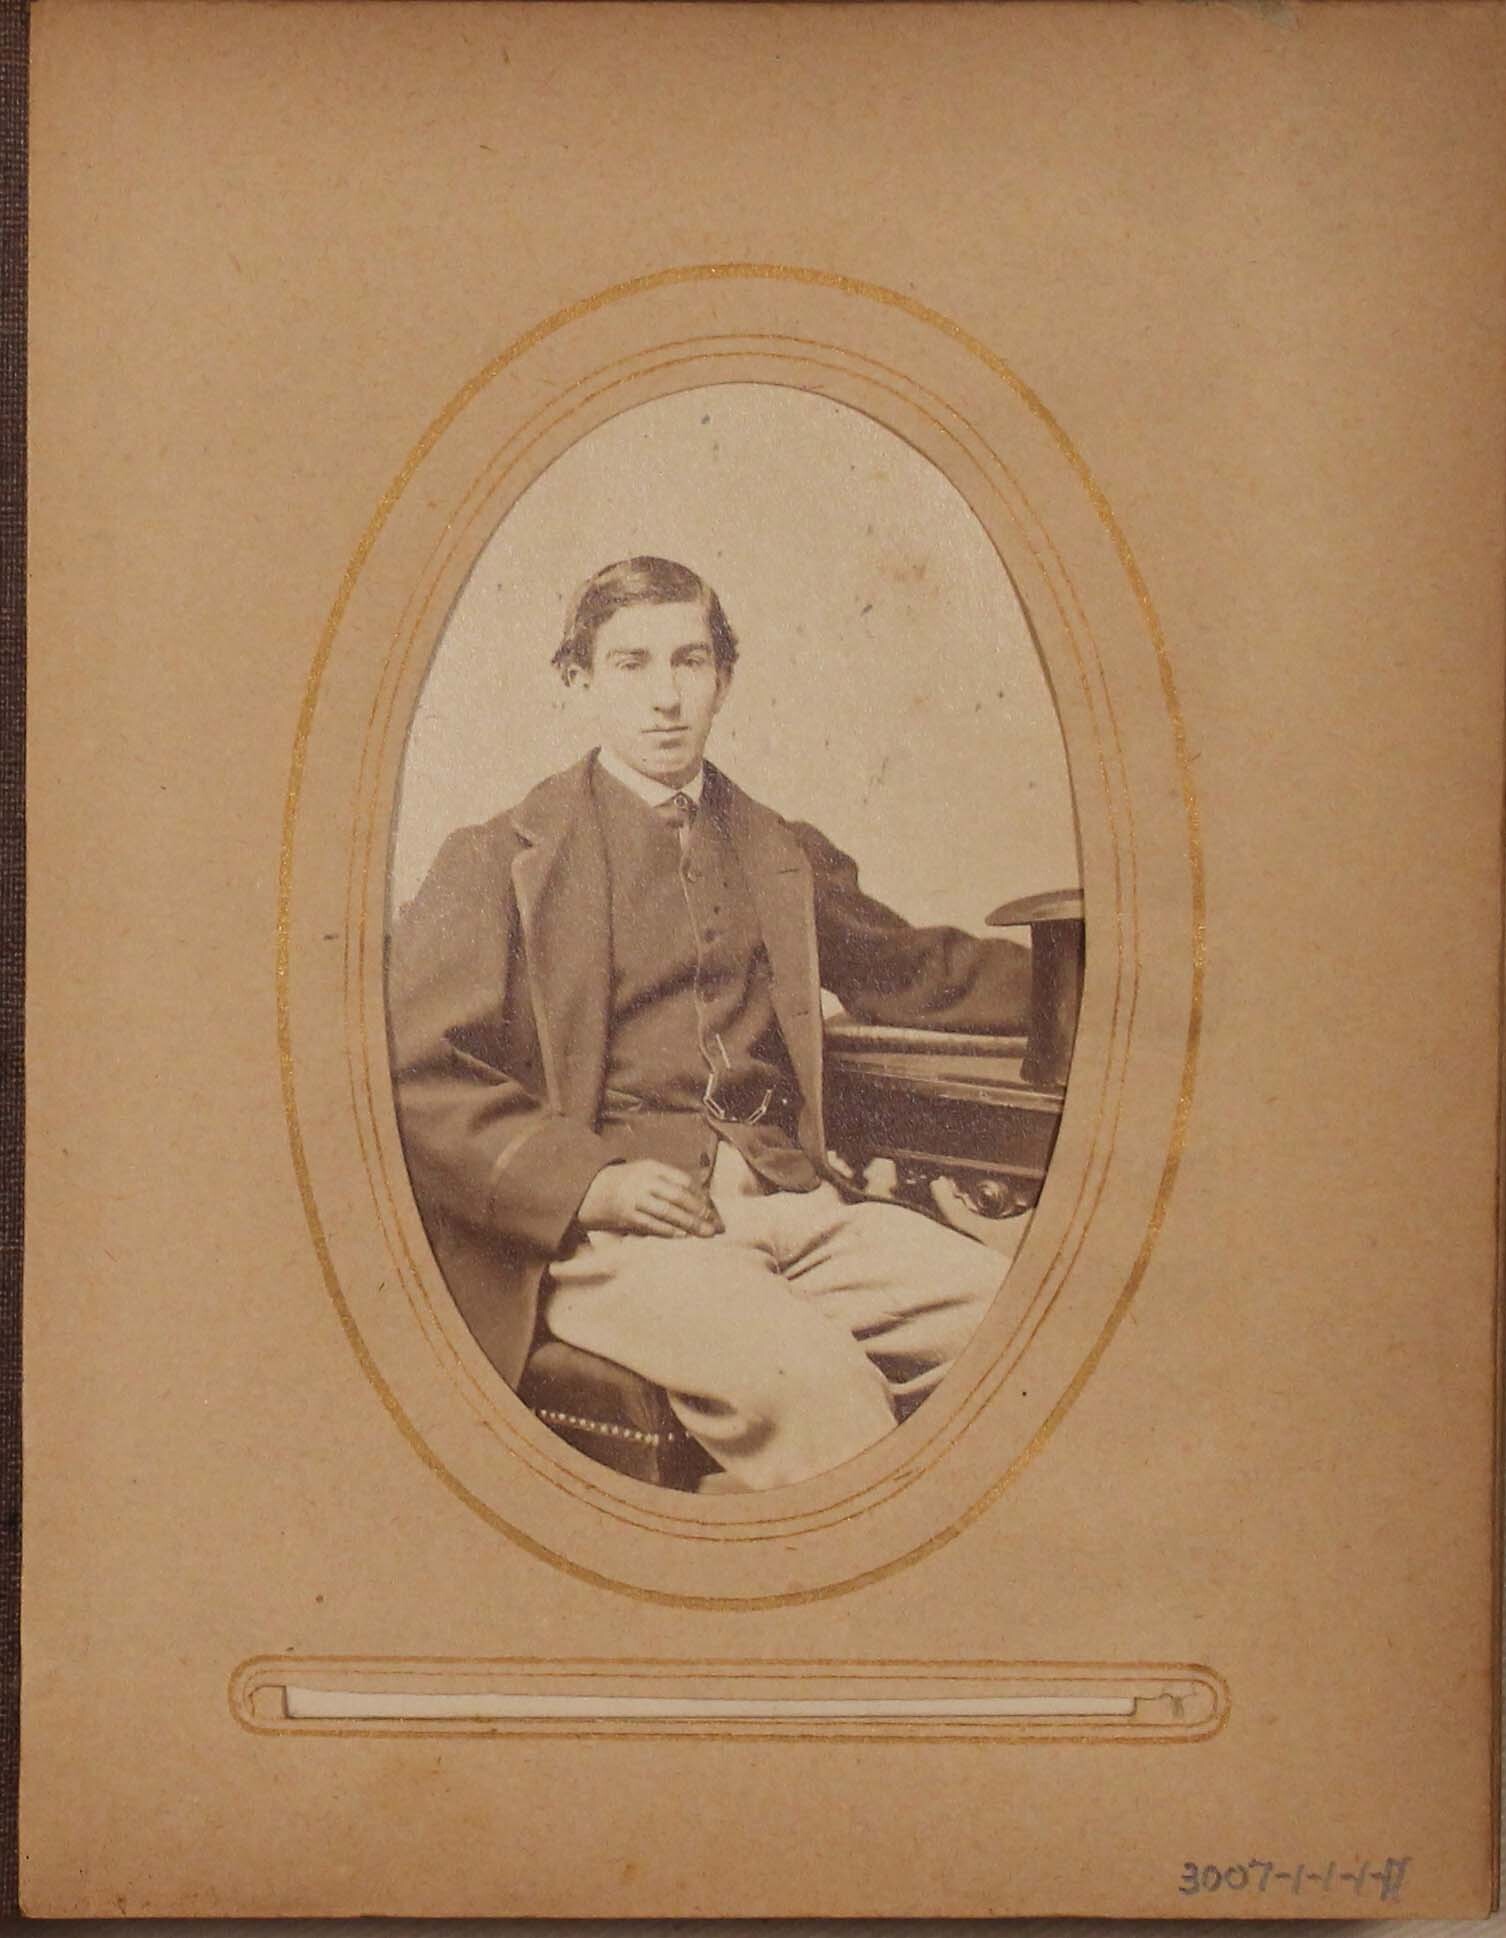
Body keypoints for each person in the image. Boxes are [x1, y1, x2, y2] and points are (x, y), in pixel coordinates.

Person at [387, 556, 1033, 1491]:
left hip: (790, 1208)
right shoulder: (500, 859)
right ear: (579, 683)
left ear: (724, 679)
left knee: (1015, 1325)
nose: (665, 697)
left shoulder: (776, 849)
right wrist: (592, 1186)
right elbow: (414, 1073)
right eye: (631, 665)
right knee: (819, 1391)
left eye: (690, 662)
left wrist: (1111, 980)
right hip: (614, 1245)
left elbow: (920, 973)